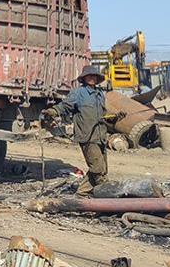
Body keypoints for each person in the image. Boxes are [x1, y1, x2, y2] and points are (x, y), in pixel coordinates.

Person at [42, 65, 122, 196]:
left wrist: (116, 117)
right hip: (87, 136)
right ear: (84, 78)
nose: (92, 78)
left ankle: (82, 193)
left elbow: (104, 115)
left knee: (102, 168)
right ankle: (104, 192)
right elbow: (65, 106)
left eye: (94, 76)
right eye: (89, 76)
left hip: (100, 136)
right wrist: (53, 111)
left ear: (97, 78)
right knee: (97, 168)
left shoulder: (100, 94)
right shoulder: (78, 93)